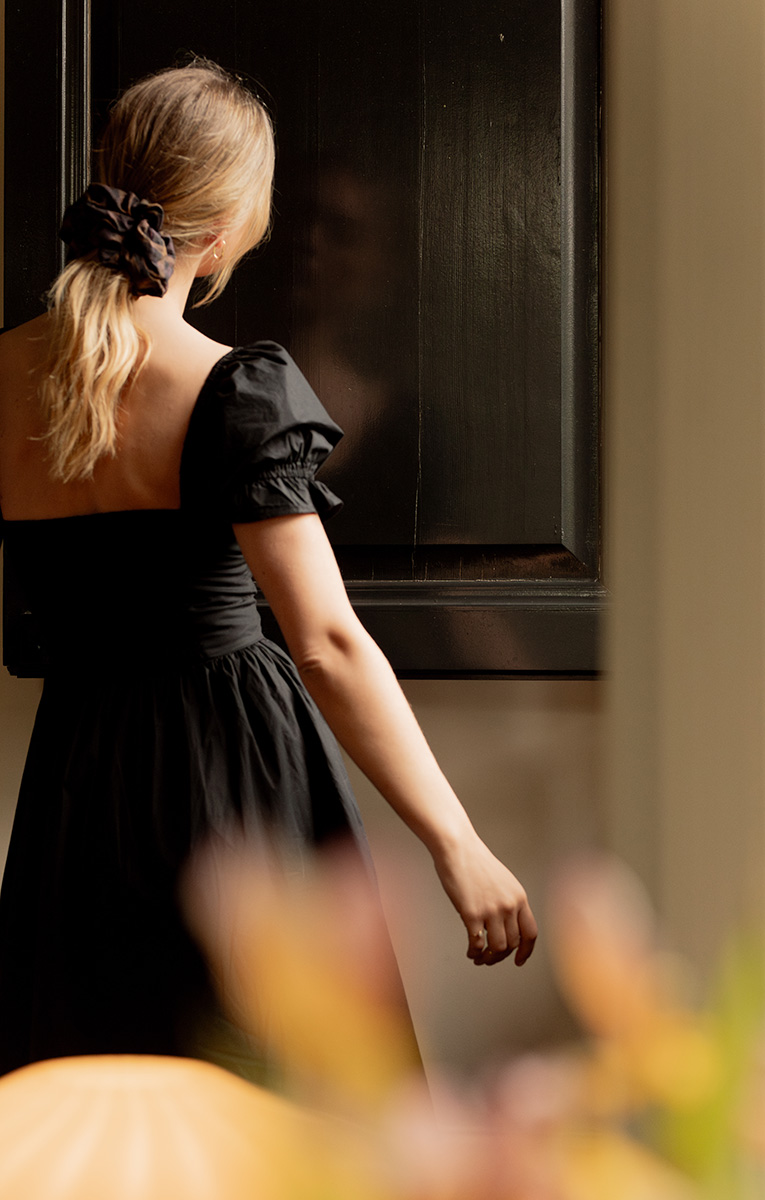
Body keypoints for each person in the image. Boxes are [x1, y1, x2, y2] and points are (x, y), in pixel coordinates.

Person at [0, 60, 537, 1078]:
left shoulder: (4, 375)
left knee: (102, 1107)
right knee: (276, 1107)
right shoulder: (235, 388)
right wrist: (455, 845)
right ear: (229, 223)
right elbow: (327, 644)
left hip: (76, 788)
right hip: (231, 784)